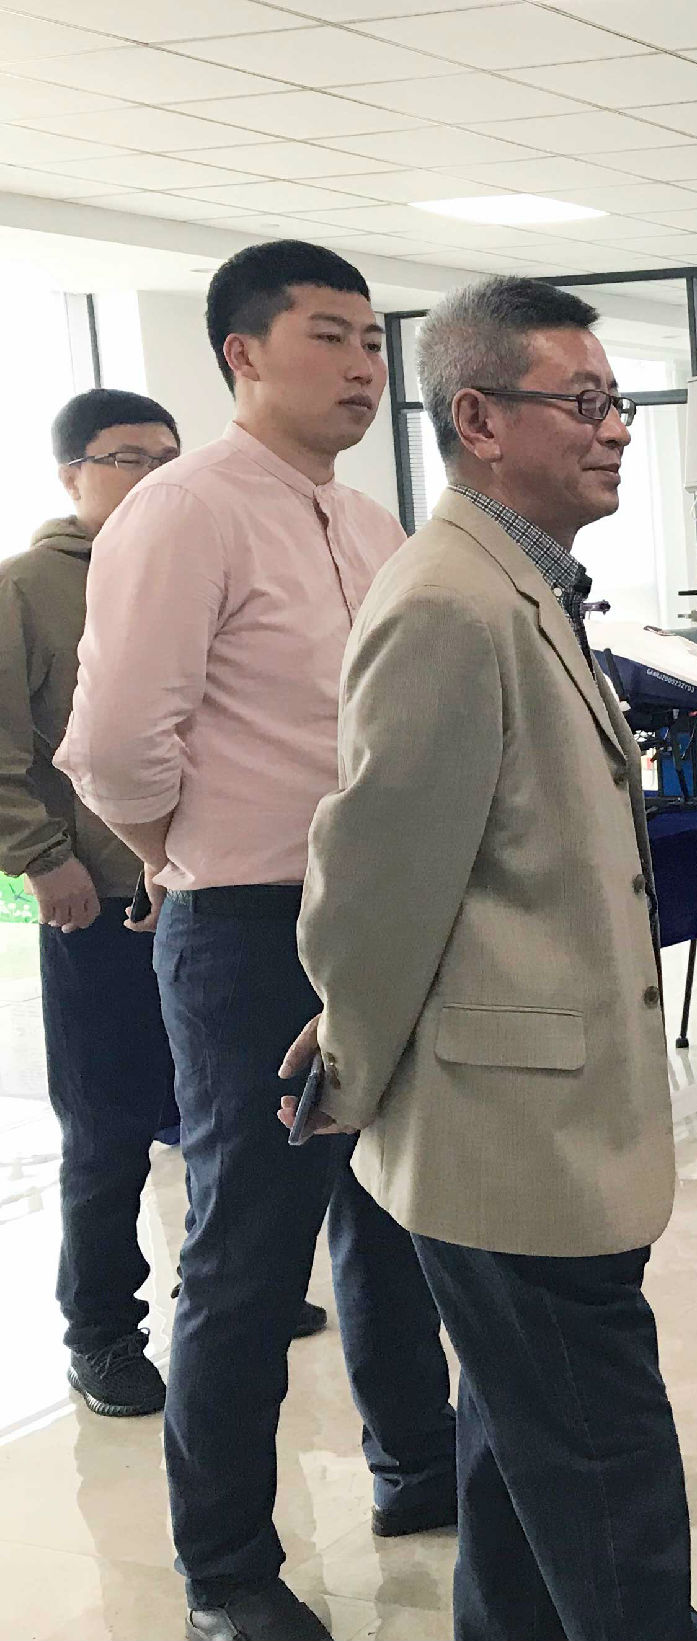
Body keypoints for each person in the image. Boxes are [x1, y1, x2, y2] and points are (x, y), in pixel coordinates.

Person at [284, 274, 697, 1641]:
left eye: (616, 401)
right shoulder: (450, 604)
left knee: (522, 1466)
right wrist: (350, 1062)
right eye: (582, 403)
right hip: (509, 1139)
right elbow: (376, 881)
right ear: (478, 419)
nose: (616, 428)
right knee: (610, 1493)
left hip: (548, 1121)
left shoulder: (521, 584)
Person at [58, 240, 457, 1641]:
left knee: (392, 1215)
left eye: (372, 341)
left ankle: (417, 1469)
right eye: (328, 336)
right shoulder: (183, 510)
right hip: (249, 926)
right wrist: (178, 855)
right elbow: (114, 743)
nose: (362, 366)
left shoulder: (367, 519)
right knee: (245, 1254)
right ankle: (225, 1571)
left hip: (379, 919)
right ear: (242, 353)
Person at [1, 390, 181, 1417]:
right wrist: (42, 858)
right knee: (108, 1134)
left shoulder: (187, 570)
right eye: (129, 459)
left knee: (224, 1115)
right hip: (98, 902)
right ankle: (102, 1334)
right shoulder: (26, 589)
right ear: (73, 473)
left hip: (204, 892)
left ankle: (221, 1287)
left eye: (169, 457)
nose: (154, 476)